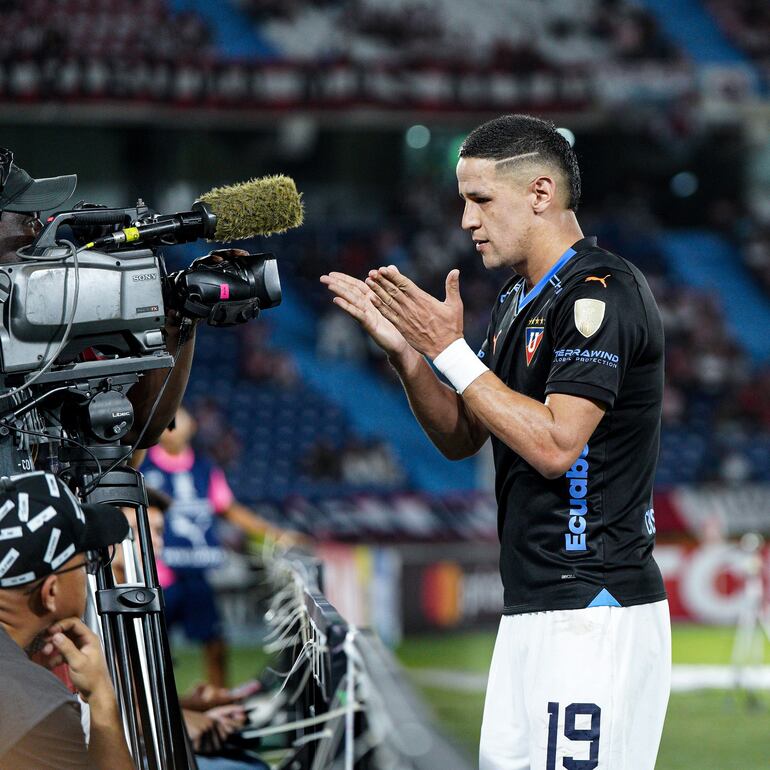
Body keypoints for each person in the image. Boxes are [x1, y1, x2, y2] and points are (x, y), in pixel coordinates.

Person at [321, 114, 670, 770]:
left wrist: (451, 350)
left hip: (592, 610)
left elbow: (555, 445)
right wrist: (411, 358)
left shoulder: (603, 292)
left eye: (480, 199)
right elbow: (463, 434)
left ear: (539, 194)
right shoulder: (516, 299)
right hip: (531, 609)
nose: (465, 221)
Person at [140, 406, 293, 687]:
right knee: (153, 645)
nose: (173, 425)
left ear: (192, 428)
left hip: (197, 573)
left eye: (179, 419)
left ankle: (219, 700)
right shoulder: (143, 466)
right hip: (159, 573)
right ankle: (155, 707)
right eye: (167, 421)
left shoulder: (204, 469)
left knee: (215, 641)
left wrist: (276, 533)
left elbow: (229, 509)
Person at [0, 471, 134, 770]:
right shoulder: (34, 706)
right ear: (51, 591)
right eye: (87, 563)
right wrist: (101, 698)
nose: (89, 575)